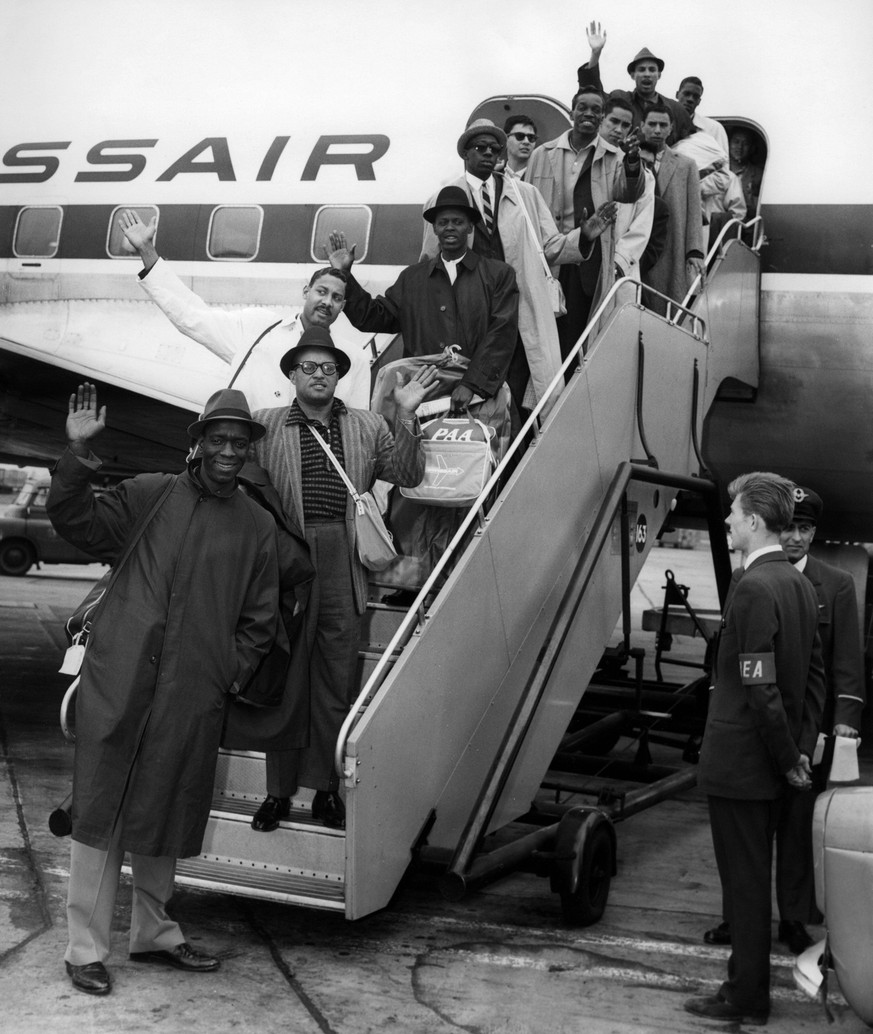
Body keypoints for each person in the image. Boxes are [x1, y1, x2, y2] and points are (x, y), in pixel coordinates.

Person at [47, 383, 280, 996]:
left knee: (165, 808)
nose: (229, 450)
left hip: (191, 693)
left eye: (239, 441)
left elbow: (261, 619)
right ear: (198, 443)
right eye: (218, 438)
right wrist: (75, 456)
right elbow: (75, 520)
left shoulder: (257, 524)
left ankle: (154, 937)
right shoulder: (150, 495)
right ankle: (84, 949)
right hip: (119, 680)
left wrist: (224, 673)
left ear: (248, 449)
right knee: (99, 813)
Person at [248, 325, 436, 833]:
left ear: (339, 377)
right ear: (291, 373)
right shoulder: (261, 426)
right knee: (286, 682)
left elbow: (409, 474)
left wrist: (409, 414)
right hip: (287, 562)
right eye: (308, 367)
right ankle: (276, 793)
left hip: (343, 561)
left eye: (328, 368)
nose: (318, 375)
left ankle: (326, 790)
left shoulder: (369, 425)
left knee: (333, 680)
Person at [686, 472, 826, 1026]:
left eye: (733, 514)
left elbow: (759, 685)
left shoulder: (752, 587)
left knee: (743, 887)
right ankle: (742, 985)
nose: (726, 521)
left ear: (754, 522)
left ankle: (747, 997)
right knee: (751, 881)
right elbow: (811, 676)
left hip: (744, 765)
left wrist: (788, 757)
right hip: (770, 763)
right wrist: (798, 749)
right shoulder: (797, 584)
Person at [704, 485, 866, 955]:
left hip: (785, 736)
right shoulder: (758, 581)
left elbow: (832, 664)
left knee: (791, 834)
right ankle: (739, 919)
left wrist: (814, 733)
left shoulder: (826, 583)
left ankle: (791, 918)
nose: (796, 536)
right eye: (791, 525)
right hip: (777, 734)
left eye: (805, 527)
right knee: (749, 851)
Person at [421, 120, 615, 418]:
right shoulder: (443, 198)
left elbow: (551, 246)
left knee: (522, 391)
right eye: (480, 147)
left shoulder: (525, 194)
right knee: (469, 394)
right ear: (465, 154)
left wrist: (583, 236)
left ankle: (520, 457)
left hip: (519, 311)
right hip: (467, 316)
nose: (489, 153)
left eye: (494, 148)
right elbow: (429, 263)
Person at [117, 210, 372, 410]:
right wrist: (146, 251)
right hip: (254, 467)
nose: (327, 302)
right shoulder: (259, 330)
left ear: (343, 306)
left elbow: (360, 428)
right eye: (321, 292)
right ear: (306, 292)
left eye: (336, 297)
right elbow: (191, 317)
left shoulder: (355, 359)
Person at [330, 186, 519, 413]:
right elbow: (372, 317)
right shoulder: (412, 278)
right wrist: (345, 276)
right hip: (421, 400)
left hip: (478, 399)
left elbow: (502, 334)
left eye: (458, 222)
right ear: (435, 228)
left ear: (470, 227)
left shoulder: (499, 274)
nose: (450, 227)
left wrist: (472, 384)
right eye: (443, 222)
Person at [526, 86, 643, 360]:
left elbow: (629, 193)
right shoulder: (542, 154)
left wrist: (633, 160)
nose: (588, 114)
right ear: (572, 111)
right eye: (583, 108)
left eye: (596, 109)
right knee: (544, 335)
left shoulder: (615, 157)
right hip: (548, 259)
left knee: (577, 336)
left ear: (602, 116)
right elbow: (527, 206)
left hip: (588, 261)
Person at [577, 21, 692, 145]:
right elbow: (592, 94)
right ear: (632, 75)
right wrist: (595, 53)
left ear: (659, 75)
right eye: (641, 70)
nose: (647, 74)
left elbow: (693, 143)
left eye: (652, 70)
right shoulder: (619, 98)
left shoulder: (676, 109)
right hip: (621, 162)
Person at [638, 104, 705, 313]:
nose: (657, 130)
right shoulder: (629, 158)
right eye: (652, 124)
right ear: (641, 126)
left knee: (669, 306)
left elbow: (694, 210)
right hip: (638, 245)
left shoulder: (686, 165)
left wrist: (694, 251)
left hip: (671, 247)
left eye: (663, 125)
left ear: (671, 128)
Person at [599, 98, 657, 283]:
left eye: (625, 125)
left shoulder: (644, 176)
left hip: (617, 268)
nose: (618, 129)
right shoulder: (584, 162)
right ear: (601, 120)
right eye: (614, 121)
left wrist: (618, 263)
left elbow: (641, 226)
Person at [675, 76, 729, 154]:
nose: (690, 99)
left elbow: (723, 162)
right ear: (677, 95)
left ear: (699, 101)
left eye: (695, 97)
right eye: (686, 94)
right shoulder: (661, 124)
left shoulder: (714, 129)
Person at [729, 129, 764, 219]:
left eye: (745, 143)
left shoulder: (759, 174)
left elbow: (760, 210)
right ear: (728, 144)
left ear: (751, 148)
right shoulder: (719, 170)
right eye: (736, 142)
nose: (740, 147)